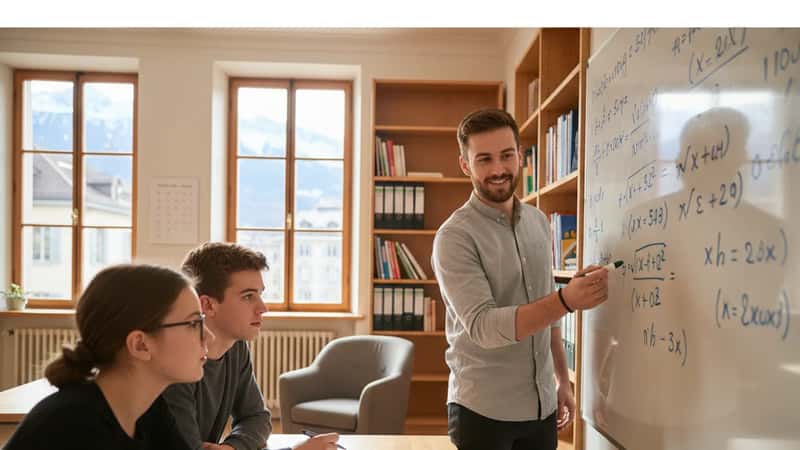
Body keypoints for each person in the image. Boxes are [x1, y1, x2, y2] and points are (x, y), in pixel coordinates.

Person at [431, 108, 610, 450]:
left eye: (507, 155)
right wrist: (566, 300)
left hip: (540, 407)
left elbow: (549, 315)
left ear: (521, 156)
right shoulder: (454, 237)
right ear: (465, 165)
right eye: (484, 159)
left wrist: (562, 380)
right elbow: (483, 326)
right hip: (482, 411)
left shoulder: (539, 223)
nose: (498, 169)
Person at [4, 264, 212, 450]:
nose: (208, 336)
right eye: (193, 324)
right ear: (140, 345)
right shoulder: (71, 426)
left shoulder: (149, 410)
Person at [163, 242, 338, 450]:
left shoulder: (236, 347)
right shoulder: (173, 362)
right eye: (247, 296)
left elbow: (257, 417)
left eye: (260, 294)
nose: (263, 308)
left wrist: (233, 447)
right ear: (208, 305)